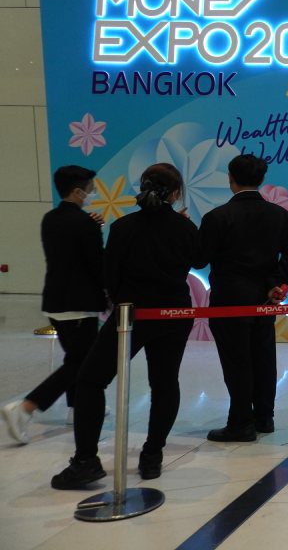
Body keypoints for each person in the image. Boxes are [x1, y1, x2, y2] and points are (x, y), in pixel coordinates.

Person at [51, 163, 201, 489]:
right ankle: (152, 456)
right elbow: (198, 260)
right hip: (174, 315)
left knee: (91, 379)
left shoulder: (123, 227)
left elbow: (111, 275)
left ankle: (86, 460)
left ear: (142, 187)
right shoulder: (185, 228)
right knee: (165, 382)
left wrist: (121, 300)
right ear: (176, 194)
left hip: (129, 315)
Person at [200, 154, 288, 442]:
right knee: (263, 357)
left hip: (228, 300)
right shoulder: (278, 215)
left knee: (236, 361)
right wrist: (277, 283)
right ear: (262, 179)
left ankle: (240, 422)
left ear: (230, 179)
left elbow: (199, 259)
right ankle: (265, 417)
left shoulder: (217, 217)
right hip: (263, 300)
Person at [3, 166, 106, 444]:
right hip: (79, 304)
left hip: (54, 301)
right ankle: (26, 407)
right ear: (78, 191)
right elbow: (96, 264)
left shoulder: (50, 218)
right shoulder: (85, 223)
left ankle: (76, 408)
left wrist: (92, 226)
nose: (92, 194)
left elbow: (69, 251)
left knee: (74, 357)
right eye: (90, 189)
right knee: (81, 363)